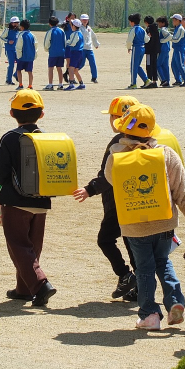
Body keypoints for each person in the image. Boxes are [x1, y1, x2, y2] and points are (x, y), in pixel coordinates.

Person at [104, 104, 185, 330]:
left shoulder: (116, 157)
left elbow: (110, 179)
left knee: (144, 269)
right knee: (163, 262)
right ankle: (175, 301)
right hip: (164, 222)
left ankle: (149, 314)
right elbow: (181, 190)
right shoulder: (166, 154)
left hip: (134, 224)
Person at [0, 89, 57, 306]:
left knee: (18, 245)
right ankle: (24, 289)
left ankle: (40, 284)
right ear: (42, 114)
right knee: (32, 247)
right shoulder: (47, 138)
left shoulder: (10, 137)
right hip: (41, 201)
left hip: (15, 202)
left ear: (12, 113)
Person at [73, 96, 141, 301]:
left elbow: (108, 176)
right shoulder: (146, 139)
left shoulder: (118, 143)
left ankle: (125, 275)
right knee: (133, 242)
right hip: (138, 202)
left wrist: (90, 189)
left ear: (118, 119)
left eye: (111, 116)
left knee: (105, 239)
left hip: (118, 203)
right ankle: (141, 285)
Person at [126, 13, 152, 90]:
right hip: (142, 48)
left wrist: (128, 47)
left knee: (133, 67)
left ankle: (133, 83)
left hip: (136, 48)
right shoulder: (142, 29)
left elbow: (129, 40)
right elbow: (147, 40)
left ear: (132, 22)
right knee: (137, 66)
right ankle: (146, 80)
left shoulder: (133, 30)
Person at [43, 16, 66, 90]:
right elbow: (65, 41)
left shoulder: (50, 32)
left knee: (51, 68)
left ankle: (50, 84)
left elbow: (46, 42)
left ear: (49, 24)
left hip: (53, 52)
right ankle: (60, 84)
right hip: (61, 52)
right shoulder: (62, 31)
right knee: (59, 68)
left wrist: (47, 49)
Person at [15, 19, 39, 90]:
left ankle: (20, 84)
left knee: (19, 70)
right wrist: (34, 55)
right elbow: (36, 45)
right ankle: (30, 85)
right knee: (30, 71)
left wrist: (18, 55)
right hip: (30, 56)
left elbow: (19, 46)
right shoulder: (32, 35)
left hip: (22, 56)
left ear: (22, 27)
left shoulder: (21, 35)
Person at [63, 18, 86, 90]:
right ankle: (81, 84)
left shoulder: (74, 34)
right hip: (80, 52)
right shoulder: (80, 33)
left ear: (74, 26)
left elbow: (72, 43)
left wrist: (66, 43)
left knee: (71, 69)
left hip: (75, 52)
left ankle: (71, 84)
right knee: (76, 70)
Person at [170, 14, 185, 87]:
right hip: (176, 48)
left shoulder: (180, 28)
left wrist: (169, 37)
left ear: (178, 20)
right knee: (173, 65)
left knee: (180, 65)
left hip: (179, 49)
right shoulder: (177, 28)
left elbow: (176, 39)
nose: (173, 21)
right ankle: (178, 80)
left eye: (174, 20)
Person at [79, 13, 100, 83]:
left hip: (89, 49)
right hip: (82, 49)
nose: (85, 21)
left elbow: (93, 37)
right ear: (81, 20)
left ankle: (94, 77)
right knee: (81, 64)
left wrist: (96, 44)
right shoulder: (79, 28)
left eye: (86, 20)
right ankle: (72, 72)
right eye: (83, 20)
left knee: (93, 63)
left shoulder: (89, 28)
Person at [0, 16, 21, 85]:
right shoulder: (7, 30)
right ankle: (8, 80)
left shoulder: (18, 31)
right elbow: (2, 37)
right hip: (9, 50)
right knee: (11, 64)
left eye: (17, 22)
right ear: (11, 23)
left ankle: (16, 74)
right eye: (15, 22)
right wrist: (8, 41)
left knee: (20, 63)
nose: (16, 24)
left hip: (16, 50)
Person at [143, 15, 160, 89]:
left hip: (149, 51)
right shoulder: (156, 28)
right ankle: (154, 81)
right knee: (154, 65)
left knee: (149, 65)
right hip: (155, 50)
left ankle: (149, 81)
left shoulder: (149, 29)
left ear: (146, 22)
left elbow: (147, 39)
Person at [156, 16, 172, 87]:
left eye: (159, 22)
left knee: (157, 65)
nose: (158, 24)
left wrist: (161, 41)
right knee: (165, 66)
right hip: (166, 48)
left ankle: (163, 80)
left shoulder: (163, 30)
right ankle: (167, 80)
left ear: (163, 23)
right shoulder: (165, 29)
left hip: (162, 49)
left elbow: (170, 36)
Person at [61, 12, 76, 83]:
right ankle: (71, 78)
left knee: (73, 63)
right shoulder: (65, 26)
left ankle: (67, 74)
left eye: (74, 18)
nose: (72, 19)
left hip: (74, 46)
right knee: (69, 62)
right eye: (71, 18)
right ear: (68, 18)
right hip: (67, 46)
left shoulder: (76, 26)